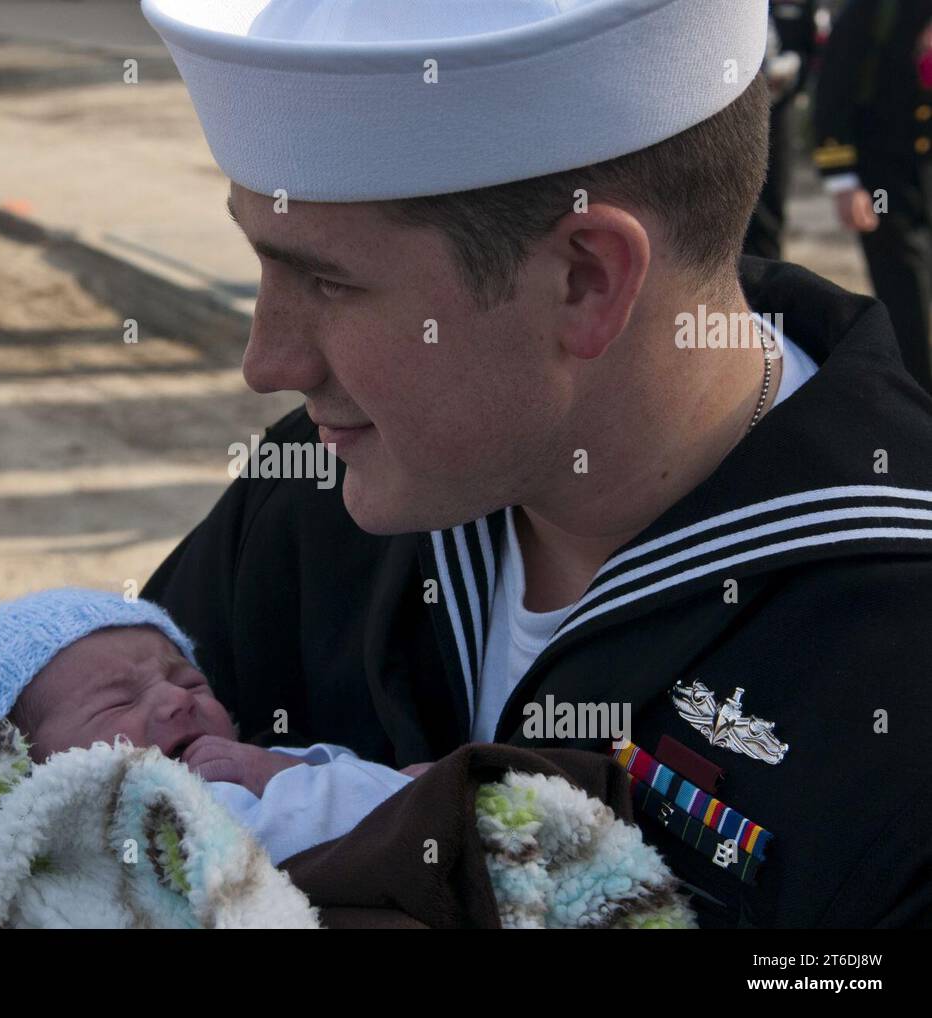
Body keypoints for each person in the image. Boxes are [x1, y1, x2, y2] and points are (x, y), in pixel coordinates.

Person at [137, 0, 932, 927]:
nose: (267, 361)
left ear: (586, 280)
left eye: (328, 282)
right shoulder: (323, 490)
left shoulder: (896, 658)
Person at [0, 587, 416, 865]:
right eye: (119, 701)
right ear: (19, 772)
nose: (176, 699)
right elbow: (360, 820)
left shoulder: (225, 776)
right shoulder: (124, 825)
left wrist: (281, 766)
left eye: (192, 682)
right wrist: (416, 787)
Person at [813, 0, 932, 392]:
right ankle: (917, 406)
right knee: (908, 299)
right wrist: (842, 180)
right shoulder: (875, 8)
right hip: (884, 177)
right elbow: (834, 87)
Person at [744, 0, 819, 260]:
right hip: (729, 114)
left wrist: (794, 69)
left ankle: (765, 289)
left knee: (771, 205)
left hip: (778, 112)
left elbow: (810, 46)